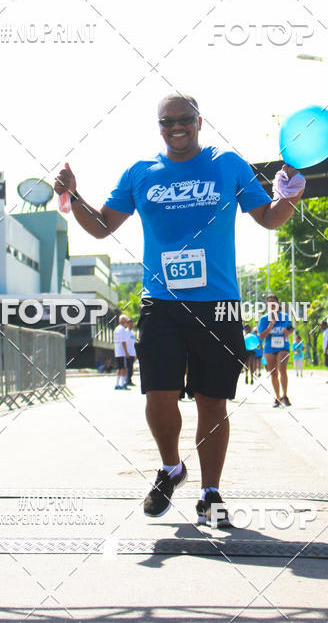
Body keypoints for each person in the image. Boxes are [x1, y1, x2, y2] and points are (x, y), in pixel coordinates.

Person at [55, 93, 305, 527]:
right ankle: (170, 467)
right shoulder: (140, 173)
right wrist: (73, 197)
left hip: (218, 305)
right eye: (167, 121)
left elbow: (267, 217)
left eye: (184, 119)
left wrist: (292, 195)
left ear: (199, 121)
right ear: (159, 126)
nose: (176, 126)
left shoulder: (227, 164)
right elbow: (101, 227)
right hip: (161, 303)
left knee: (213, 400)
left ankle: (211, 492)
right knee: (158, 395)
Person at [259, 294, 293, 407]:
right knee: (273, 373)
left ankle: (285, 395)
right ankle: (277, 397)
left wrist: (288, 332)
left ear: (278, 304)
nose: (272, 304)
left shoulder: (285, 316)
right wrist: (270, 325)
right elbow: (261, 336)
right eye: (269, 302)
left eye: (273, 302)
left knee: (282, 368)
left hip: (283, 346)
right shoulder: (264, 319)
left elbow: (290, 327)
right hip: (270, 348)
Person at [113, 315, 130, 390]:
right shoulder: (122, 329)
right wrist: (126, 352)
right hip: (122, 351)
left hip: (117, 351)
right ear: (123, 321)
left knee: (119, 368)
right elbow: (123, 342)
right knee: (123, 368)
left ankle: (117, 383)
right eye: (126, 321)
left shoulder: (117, 328)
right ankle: (123, 384)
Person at [125, 317, 137, 386]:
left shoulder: (132, 332)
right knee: (128, 367)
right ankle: (127, 380)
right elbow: (125, 343)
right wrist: (126, 352)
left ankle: (130, 379)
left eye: (132, 324)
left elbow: (133, 343)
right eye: (130, 324)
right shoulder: (126, 332)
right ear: (127, 324)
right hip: (128, 353)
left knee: (131, 368)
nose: (131, 325)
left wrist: (135, 354)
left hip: (132, 353)